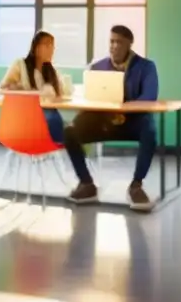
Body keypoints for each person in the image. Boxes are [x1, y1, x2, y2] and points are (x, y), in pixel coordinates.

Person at [64, 24, 159, 211]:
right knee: (70, 130)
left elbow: (149, 97)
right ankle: (86, 184)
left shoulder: (146, 67)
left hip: (132, 122)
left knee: (150, 128)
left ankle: (136, 186)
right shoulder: (96, 67)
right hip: (103, 122)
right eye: (112, 41)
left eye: (120, 42)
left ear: (129, 44)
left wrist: (123, 110)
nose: (115, 46)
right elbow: (89, 96)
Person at [0, 30, 65, 141]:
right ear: (36, 47)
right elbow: (4, 87)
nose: (51, 50)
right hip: (26, 112)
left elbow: (60, 93)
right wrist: (19, 88)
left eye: (52, 46)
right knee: (53, 121)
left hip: (48, 110)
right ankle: (54, 148)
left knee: (59, 121)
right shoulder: (20, 64)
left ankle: (55, 148)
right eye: (47, 45)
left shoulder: (51, 71)